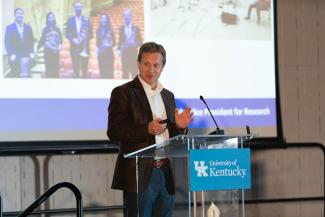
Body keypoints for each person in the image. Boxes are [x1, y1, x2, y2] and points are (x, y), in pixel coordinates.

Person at [107, 42, 193, 217]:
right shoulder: (123, 92)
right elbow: (114, 131)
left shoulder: (168, 96)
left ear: (163, 67)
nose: (151, 70)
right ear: (138, 63)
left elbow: (171, 138)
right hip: (140, 174)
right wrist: (146, 129)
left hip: (165, 172)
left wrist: (180, 128)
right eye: (146, 64)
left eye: (156, 65)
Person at [5, 7, 35, 78]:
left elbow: (32, 41)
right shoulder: (9, 28)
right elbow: (7, 43)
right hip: (15, 58)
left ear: (23, 15)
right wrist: (11, 54)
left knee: (26, 77)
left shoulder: (28, 27)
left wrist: (32, 52)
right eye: (17, 13)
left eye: (21, 13)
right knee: (16, 78)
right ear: (15, 15)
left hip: (26, 58)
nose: (19, 15)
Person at [66, 1, 93, 78]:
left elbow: (91, 34)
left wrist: (84, 38)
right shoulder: (70, 20)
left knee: (85, 70)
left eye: (80, 7)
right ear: (74, 8)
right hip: (74, 48)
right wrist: (73, 39)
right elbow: (67, 33)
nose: (78, 9)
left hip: (84, 48)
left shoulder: (86, 20)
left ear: (82, 8)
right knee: (75, 70)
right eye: (77, 7)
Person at [117, 8, 142, 79]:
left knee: (134, 75)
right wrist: (119, 50)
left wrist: (134, 43)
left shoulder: (136, 29)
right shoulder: (121, 29)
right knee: (124, 74)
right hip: (124, 55)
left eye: (128, 15)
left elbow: (140, 42)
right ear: (123, 17)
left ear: (131, 16)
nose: (126, 17)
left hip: (133, 54)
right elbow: (119, 42)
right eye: (125, 15)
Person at [38, 12, 62, 78]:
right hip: (48, 53)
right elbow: (43, 42)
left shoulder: (57, 29)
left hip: (56, 53)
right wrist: (52, 49)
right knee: (49, 71)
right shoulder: (45, 30)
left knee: (56, 71)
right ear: (47, 19)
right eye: (50, 17)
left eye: (52, 17)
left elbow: (60, 42)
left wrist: (58, 48)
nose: (51, 19)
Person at [96, 14, 115, 79]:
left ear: (107, 21)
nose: (103, 20)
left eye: (105, 19)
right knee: (102, 73)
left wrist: (109, 45)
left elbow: (114, 43)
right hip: (101, 55)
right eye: (102, 19)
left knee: (109, 73)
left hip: (109, 55)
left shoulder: (110, 30)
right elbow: (97, 43)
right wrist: (98, 49)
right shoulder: (98, 30)